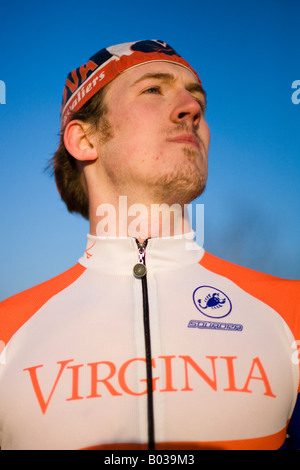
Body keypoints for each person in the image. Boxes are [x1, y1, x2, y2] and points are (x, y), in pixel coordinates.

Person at [0, 40, 299, 451]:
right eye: (153, 90)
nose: (190, 110)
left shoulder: (292, 315)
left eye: (198, 101)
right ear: (84, 139)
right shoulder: (6, 335)